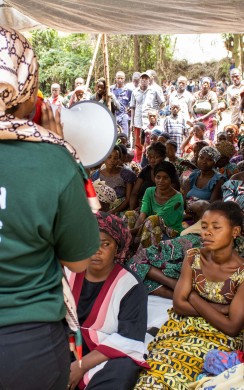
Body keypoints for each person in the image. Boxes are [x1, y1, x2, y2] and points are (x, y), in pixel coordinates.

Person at [0, 26, 100, 390]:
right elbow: (78, 262)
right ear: (25, 88)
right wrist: (56, 150)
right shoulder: (54, 162)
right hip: (28, 350)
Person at [135, 200, 244, 389]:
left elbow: (232, 327)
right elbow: (178, 304)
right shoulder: (193, 256)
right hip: (182, 326)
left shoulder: (241, 272)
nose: (207, 232)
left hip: (219, 338)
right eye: (204, 226)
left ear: (235, 232)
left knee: (195, 375)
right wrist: (220, 309)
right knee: (157, 372)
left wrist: (192, 296)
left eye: (216, 227)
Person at [68, 212, 149, 390]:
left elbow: (130, 338)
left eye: (105, 244)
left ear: (117, 248)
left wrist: (81, 366)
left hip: (103, 351)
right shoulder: (67, 272)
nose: (97, 250)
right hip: (65, 343)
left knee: (124, 367)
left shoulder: (130, 285)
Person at [128, 162, 184, 248]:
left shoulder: (177, 198)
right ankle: (127, 247)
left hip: (169, 233)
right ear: (154, 178)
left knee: (153, 220)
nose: (161, 181)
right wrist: (135, 236)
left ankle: (144, 255)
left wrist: (129, 232)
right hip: (147, 227)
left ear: (171, 179)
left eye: (165, 178)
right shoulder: (149, 191)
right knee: (130, 214)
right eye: (158, 177)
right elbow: (142, 215)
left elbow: (158, 220)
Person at [91, 146, 137, 214]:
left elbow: (128, 198)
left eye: (115, 158)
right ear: (104, 158)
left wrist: (114, 211)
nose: (112, 160)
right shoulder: (95, 176)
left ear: (119, 159)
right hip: (100, 212)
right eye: (109, 157)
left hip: (120, 211)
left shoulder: (126, 174)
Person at [130, 72, 164, 162]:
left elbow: (162, 103)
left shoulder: (154, 91)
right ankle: (138, 163)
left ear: (149, 80)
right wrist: (131, 123)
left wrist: (156, 113)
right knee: (138, 144)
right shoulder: (135, 92)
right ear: (140, 80)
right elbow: (132, 107)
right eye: (142, 79)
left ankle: (150, 161)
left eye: (146, 79)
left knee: (150, 142)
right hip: (138, 121)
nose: (144, 80)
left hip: (149, 122)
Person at [184, 146, 225, 216]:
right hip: (188, 214)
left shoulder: (218, 180)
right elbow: (184, 199)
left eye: (209, 159)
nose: (204, 162)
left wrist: (192, 204)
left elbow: (212, 203)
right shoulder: (193, 176)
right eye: (201, 157)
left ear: (215, 162)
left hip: (205, 216)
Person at [129, 142, 167, 210]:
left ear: (163, 157)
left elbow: (171, 194)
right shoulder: (145, 171)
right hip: (142, 207)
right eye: (149, 157)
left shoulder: (169, 171)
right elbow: (134, 193)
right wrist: (132, 210)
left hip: (162, 209)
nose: (152, 160)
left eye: (156, 157)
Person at [192, 77, 218, 141]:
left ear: (210, 85)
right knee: (198, 138)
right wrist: (196, 118)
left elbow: (215, 109)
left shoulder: (212, 94)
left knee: (208, 139)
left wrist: (203, 117)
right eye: (204, 83)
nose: (205, 85)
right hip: (197, 119)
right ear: (201, 84)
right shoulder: (196, 94)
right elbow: (191, 108)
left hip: (209, 119)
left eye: (207, 83)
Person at [110, 71, 132, 136]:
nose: (120, 80)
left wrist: (129, 109)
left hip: (123, 116)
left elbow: (131, 103)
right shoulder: (110, 89)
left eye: (121, 78)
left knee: (124, 136)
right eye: (118, 78)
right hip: (113, 115)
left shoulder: (129, 91)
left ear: (124, 79)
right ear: (115, 78)